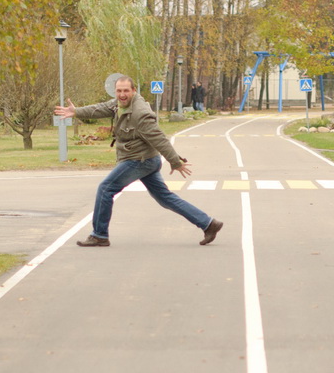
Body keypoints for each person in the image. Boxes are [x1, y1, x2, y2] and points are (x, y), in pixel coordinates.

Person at [54, 75, 223, 247]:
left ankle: (99, 235)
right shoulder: (118, 104)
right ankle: (209, 224)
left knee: (105, 189)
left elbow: (159, 138)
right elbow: (100, 108)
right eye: (119, 91)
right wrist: (76, 111)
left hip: (139, 160)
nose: (122, 94)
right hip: (144, 159)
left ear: (133, 91)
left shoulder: (140, 113)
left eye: (126, 91)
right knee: (165, 198)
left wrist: (175, 161)